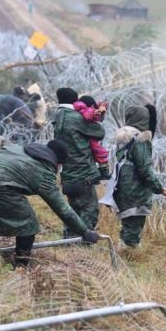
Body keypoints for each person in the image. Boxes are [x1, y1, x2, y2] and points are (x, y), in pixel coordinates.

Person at [0, 140, 99, 267]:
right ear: (58, 162)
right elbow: (62, 209)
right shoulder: (43, 171)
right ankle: (21, 265)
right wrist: (84, 231)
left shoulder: (20, 148)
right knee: (28, 224)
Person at [102, 104, 166, 248]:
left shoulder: (123, 138)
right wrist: (158, 187)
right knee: (134, 224)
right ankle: (129, 254)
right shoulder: (140, 140)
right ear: (144, 120)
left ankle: (124, 249)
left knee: (128, 221)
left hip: (122, 184)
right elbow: (145, 168)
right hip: (135, 188)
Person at [54, 87, 105, 237]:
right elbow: (99, 132)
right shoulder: (75, 117)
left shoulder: (58, 115)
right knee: (90, 210)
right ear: (75, 101)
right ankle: (83, 242)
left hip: (68, 172)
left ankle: (69, 240)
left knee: (73, 209)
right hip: (83, 173)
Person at [73, 95, 110, 179]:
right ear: (91, 106)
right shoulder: (86, 110)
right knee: (100, 152)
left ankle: (102, 171)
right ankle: (103, 172)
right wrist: (96, 112)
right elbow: (89, 114)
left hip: (87, 136)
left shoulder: (80, 110)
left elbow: (99, 118)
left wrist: (101, 110)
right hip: (90, 138)